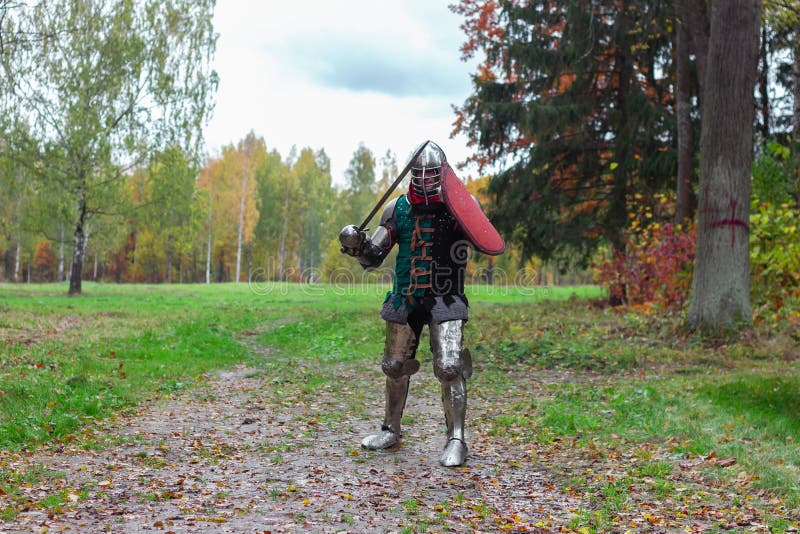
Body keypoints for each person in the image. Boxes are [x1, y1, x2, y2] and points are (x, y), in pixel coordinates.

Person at [338, 141, 486, 467]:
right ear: (411, 174)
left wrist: (468, 213)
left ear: (442, 174)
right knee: (393, 365)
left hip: (445, 296)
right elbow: (374, 256)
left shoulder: (460, 206)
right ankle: (391, 429)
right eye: (419, 173)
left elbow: (483, 237)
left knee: (448, 367)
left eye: (431, 173)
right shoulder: (397, 209)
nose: (425, 179)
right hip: (405, 296)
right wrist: (358, 244)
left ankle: (457, 438)